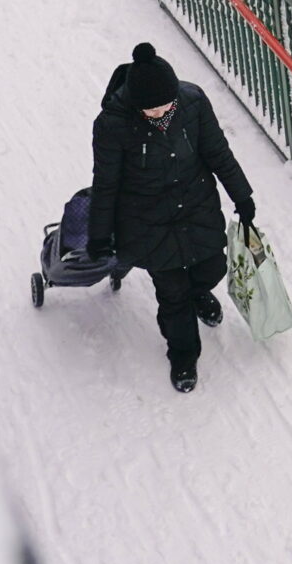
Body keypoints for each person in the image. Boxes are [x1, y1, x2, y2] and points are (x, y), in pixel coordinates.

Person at [87, 43, 254, 393]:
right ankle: (182, 354)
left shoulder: (191, 101)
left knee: (212, 268)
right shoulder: (112, 126)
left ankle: (198, 293)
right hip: (147, 222)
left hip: (196, 208)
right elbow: (106, 184)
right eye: (152, 108)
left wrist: (242, 194)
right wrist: (100, 235)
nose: (162, 111)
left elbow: (217, 151)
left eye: (167, 103)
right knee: (171, 293)